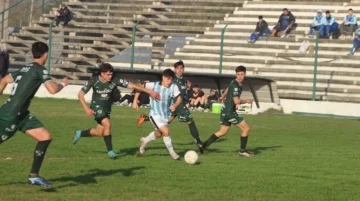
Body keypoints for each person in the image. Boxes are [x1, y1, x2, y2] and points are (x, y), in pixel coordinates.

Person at [0, 42, 69, 187]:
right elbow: (52, 90)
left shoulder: (25, 68)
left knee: (45, 137)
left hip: (22, 114)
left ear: (32, 54)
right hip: (11, 115)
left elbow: (4, 79)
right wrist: (63, 84)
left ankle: (33, 176)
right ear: (46, 55)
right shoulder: (40, 70)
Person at [72, 63, 160, 159]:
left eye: (111, 74)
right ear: (102, 73)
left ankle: (79, 133)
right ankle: (110, 152)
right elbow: (80, 94)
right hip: (96, 107)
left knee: (99, 132)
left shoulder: (115, 80)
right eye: (108, 74)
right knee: (108, 124)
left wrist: (150, 92)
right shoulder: (93, 81)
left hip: (107, 109)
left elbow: (133, 85)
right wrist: (87, 109)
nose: (110, 76)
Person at [135, 61, 205, 153]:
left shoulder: (184, 80)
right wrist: (136, 99)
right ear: (175, 70)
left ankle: (146, 129)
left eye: (181, 68)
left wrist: (188, 88)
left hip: (175, 106)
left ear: (184, 69)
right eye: (178, 68)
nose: (180, 70)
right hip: (176, 105)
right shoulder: (171, 79)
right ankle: (199, 143)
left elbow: (182, 93)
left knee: (162, 129)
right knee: (190, 120)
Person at [202, 66, 254, 157]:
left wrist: (222, 96)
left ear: (245, 74)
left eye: (242, 74)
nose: (240, 76)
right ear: (236, 74)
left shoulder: (233, 82)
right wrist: (247, 101)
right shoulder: (236, 85)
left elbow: (227, 89)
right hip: (230, 112)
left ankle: (203, 146)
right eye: (238, 74)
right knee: (246, 129)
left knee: (222, 131)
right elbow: (237, 101)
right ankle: (242, 151)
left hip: (225, 110)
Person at [132, 69, 182, 160]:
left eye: (171, 79)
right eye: (167, 79)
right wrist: (135, 101)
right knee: (166, 131)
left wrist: (175, 105)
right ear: (163, 77)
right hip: (155, 115)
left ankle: (145, 140)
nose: (169, 81)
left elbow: (179, 99)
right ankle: (173, 153)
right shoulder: (153, 85)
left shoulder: (173, 86)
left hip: (165, 115)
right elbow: (139, 87)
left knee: (159, 134)